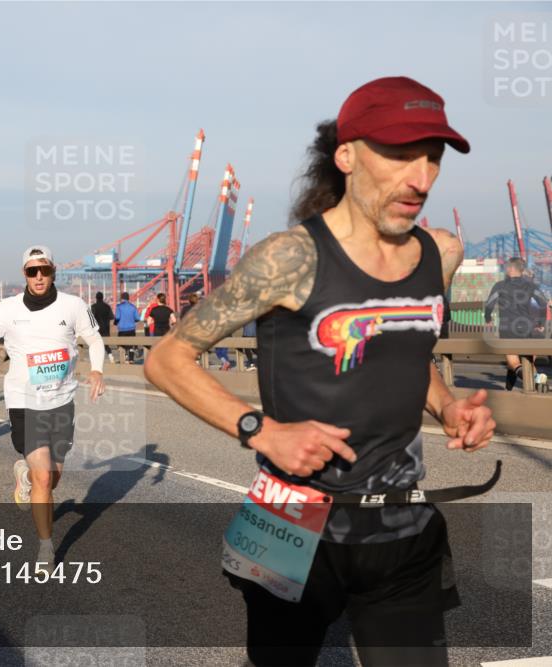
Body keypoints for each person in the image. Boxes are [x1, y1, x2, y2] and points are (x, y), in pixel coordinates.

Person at [145, 76, 496, 666]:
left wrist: (447, 405)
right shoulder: (289, 258)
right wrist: (263, 431)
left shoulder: (440, 253)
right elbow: (166, 358)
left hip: (401, 523)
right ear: (347, 156)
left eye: (432, 158)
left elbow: (407, 351)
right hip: (292, 523)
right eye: (400, 155)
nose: (421, 178)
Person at [0, 245, 106, 574]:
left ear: (53, 271)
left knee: (52, 477)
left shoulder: (73, 305)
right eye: (32, 271)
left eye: (44, 269)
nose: (39, 276)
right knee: (44, 477)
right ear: (24, 274)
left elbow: (95, 340)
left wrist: (97, 369)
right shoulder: (8, 308)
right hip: (24, 402)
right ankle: (46, 546)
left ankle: (24, 476)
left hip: (61, 401)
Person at [484, 257, 548, 390]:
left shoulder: (500, 286)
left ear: (510, 269)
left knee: (513, 362)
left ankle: (538, 381)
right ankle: (536, 383)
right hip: (528, 328)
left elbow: (489, 304)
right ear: (522, 270)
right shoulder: (531, 286)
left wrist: (488, 318)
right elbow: (543, 304)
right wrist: (540, 322)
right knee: (528, 362)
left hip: (508, 328)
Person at [113, 292, 140, 364]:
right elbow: (137, 318)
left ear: (122, 298)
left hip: (122, 329)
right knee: (131, 345)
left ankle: (125, 357)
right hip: (131, 329)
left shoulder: (119, 307)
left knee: (122, 344)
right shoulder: (133, 307)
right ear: (128, 298)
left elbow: (117, 317)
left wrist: (115, 323)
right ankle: (131, 359)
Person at [90, 291, 115, 363]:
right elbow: (111, 317)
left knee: (96, 345)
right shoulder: (107, 307)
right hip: (106, 329)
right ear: (102, 297)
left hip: (96, 330)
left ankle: (98, 360)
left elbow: (91, 318)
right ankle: (110, 356)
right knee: (106, 344)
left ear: (96, 298)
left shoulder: (93, 307)